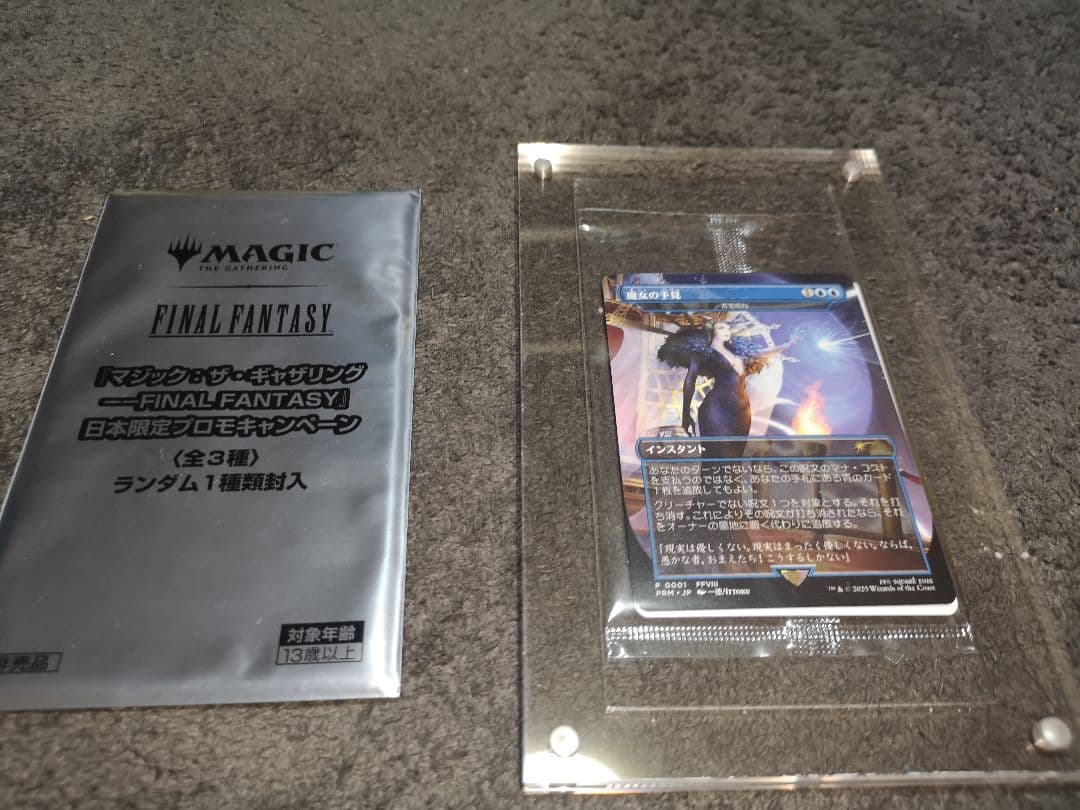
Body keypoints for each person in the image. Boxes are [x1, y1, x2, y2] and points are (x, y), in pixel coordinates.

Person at [658, 316, 799, 448]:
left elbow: (762, 352)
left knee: (735, 457)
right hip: (717, 409)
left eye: (727, 328)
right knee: (717, 454)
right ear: (712, 332)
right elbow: (690, 381)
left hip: (741, 412)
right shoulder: (702, 352)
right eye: (721, 328)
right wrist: (685, 414)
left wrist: (788, 344)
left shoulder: (738, 351)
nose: (726, 330)